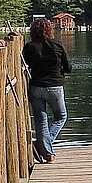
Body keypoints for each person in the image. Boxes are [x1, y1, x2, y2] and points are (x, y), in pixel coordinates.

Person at [23, 18, 71, 163]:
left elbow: (24, 64)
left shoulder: (29, 47)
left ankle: (46, 151)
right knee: (61, 116)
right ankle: (44, 147)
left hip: (36, 87)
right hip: (55, 87)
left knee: (40, 120)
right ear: (49, 30)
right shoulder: (57, 45)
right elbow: (68, 67)